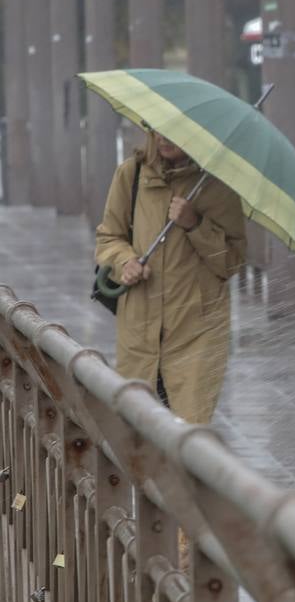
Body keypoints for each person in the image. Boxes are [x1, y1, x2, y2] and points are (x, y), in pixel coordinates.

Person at [95, 131, 247, 426]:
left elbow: (230, 263)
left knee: (188, 432)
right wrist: (125, 261)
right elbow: (108, 238)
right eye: (156, 129)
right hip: (139, 327)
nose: (165, 137)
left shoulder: (217, 185)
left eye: (175, 130)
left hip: (196, 331)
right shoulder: (132, 173)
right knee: (137, 431)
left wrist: (195, 224)